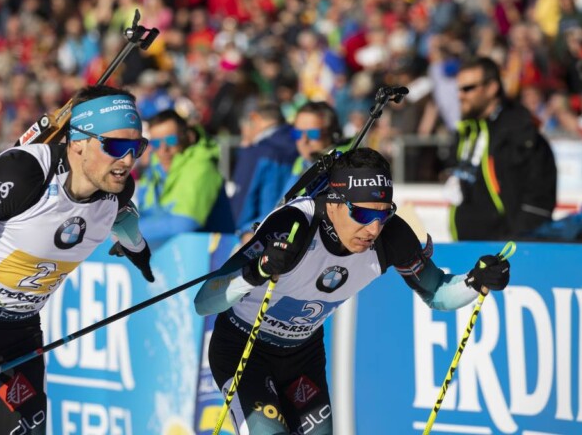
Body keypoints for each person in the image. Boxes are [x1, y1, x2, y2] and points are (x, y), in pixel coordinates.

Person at [194, 147, 511, 434]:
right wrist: (258, 269)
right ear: (333, 203)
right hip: (243, 348)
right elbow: (205, 301)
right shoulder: (295, 224)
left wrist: (478, 280)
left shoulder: (390, 236)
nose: (373, 228)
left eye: (383, 213)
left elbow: (438, 292)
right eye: (362, 214)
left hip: (301, 356)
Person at [0, 85, 154, 434]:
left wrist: (139, 251)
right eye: (115, 146)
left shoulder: (117, 190)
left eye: (137, 147)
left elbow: (124, 219)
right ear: (78, 142)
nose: (127, 160)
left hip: (17, 338)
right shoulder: (25, 174)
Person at [447, 56, 557, 240]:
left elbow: (539, 200)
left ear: (491, 88)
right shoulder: (465, 131)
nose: (460, 96)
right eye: (458, 89)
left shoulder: (520, 130)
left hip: (506, 248)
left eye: (468, 88)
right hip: (465, 245)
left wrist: (517, 242)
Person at [136, 109, 235, 246]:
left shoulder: (201, 166)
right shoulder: (154, 169)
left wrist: (129, 232)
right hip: (169, 252)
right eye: (156, 143)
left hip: (211, 254)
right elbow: (144, 212)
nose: (163, 149)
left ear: (189, 137)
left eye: (171, 140)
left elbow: (184, 223)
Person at [231, 100, 299, 238]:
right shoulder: (300, 145)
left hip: (255, 234)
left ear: (255, 118)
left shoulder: (257, 153)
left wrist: (238, 232)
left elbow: (243, 205)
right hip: (291, 229)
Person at [280, 101, 348, 199]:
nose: (303, 140)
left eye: (312, 133)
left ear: (334, 134)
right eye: (297, 133)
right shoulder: (300, 162)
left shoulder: (344, 163)